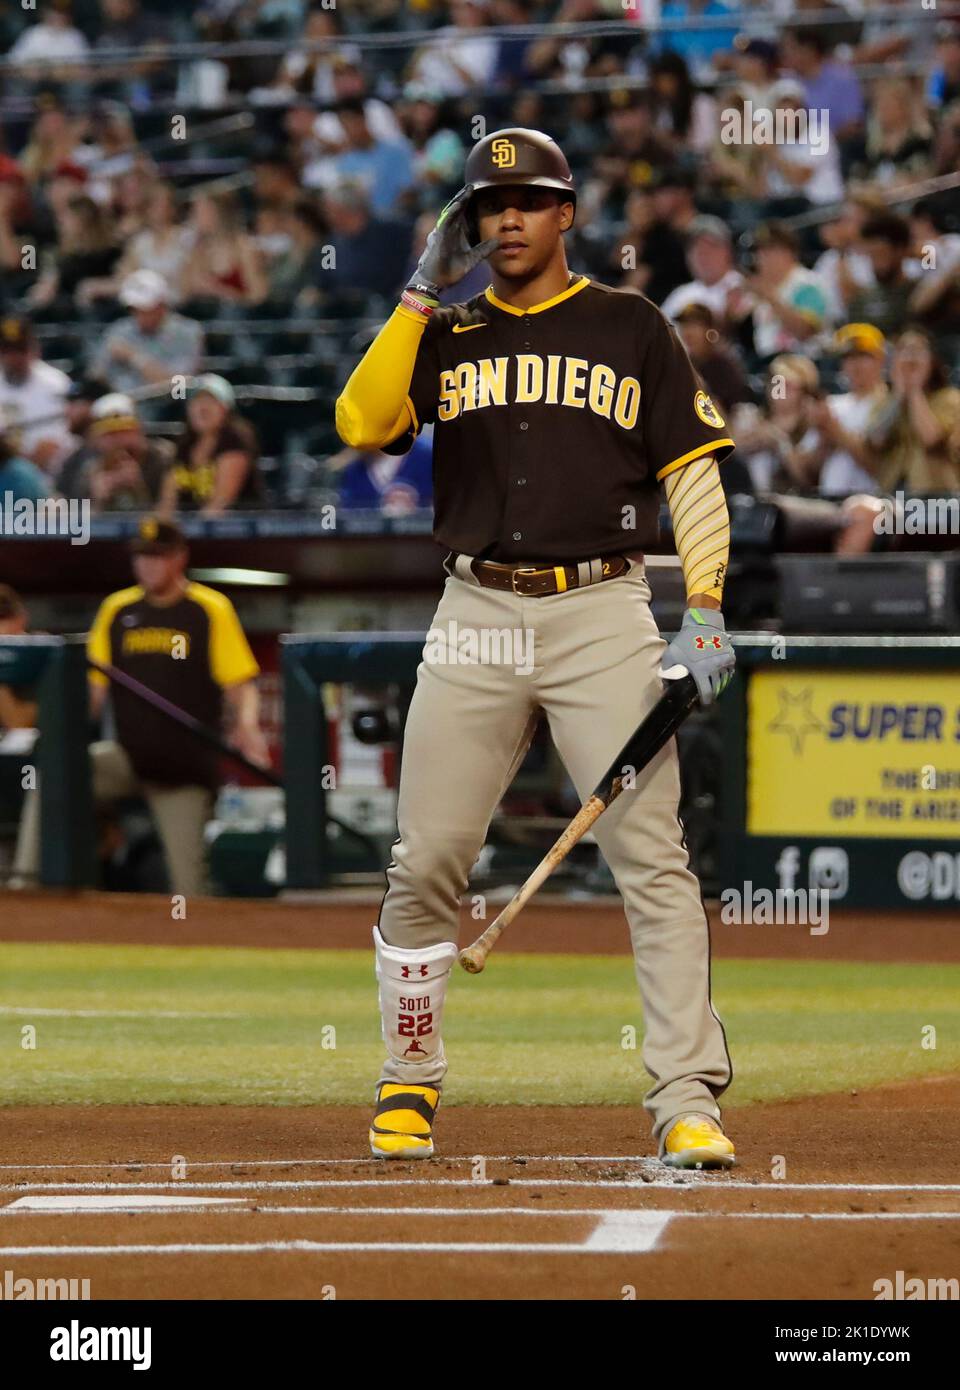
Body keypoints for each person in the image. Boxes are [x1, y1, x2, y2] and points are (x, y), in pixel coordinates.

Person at [336, 128, 738, 1170]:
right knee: (424, 860)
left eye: (527, 202)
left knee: (652, 860)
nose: (505, 221)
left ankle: (687, 1096)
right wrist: (417, 301)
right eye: (486, 207)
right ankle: (408, 1080)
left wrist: (703, 605)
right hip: (474, 605)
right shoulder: (448, 329)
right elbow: (359, 420)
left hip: (602, 607)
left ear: (567, 214)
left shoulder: (629, 323)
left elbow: (692, 472)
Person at [12, 517, 267, 896]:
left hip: (184, 768)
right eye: (141, 558)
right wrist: (61, 737)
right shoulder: (118, 609)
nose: (147, 565)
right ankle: (28, 886)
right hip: (128, 757)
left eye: (157, 557)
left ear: (180, 558)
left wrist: (249, 728)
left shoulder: (207, 608)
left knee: (188, 889)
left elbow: (239, 684)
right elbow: (93, 695)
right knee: (55, 773)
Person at [728, 221, 830, 363]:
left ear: (791, 253)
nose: (764, 257)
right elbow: (734, 329)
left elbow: (804, 331)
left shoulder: (806, 284)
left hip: (806, 362)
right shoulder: (759, 288)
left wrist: (770, 298)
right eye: (760, 251)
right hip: (768, 363)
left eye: (772, 250)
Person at [91, 270, 204, 397]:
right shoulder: (120, 330)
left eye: (145, 309)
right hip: (122, 406)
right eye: (134, 309)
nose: (138, 315)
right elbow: (96, 376)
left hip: (167, 406)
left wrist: (135, 357)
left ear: (161, 306)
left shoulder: (187, 332)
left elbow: (179, 388)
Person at [158, 375, 260, 515]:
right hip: (190, 527)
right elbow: (167, 502)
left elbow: (220, 503)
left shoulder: (235, 441)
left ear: (226, 409)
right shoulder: (184, 445)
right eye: (197, 401)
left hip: (234, 530)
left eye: (211, 401)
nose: (203, 408)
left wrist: (191, 531)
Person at [0, 315, 73, 475]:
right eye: (7, 351)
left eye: (20, 350)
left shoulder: (55, 382)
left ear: (34, 349)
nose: (14, 358)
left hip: (49, 471)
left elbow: (55, 442)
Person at [81, 393, 174, 511]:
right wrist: (97, 499)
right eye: (110, 435)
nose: (119, 440)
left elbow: (175, 517)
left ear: (139, 431)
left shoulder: (165, 458)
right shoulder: (90, 468)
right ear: (97, 440)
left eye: (125, 431)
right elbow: (75, 520)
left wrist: (139, 488)